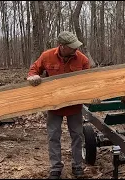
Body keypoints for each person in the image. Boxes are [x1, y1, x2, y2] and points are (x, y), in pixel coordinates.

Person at [27, 31, 99, 179]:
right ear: (62, 46)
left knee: (77, 136)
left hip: (74, 105)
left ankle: (77, 166)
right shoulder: (47, 56)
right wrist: (33, 76)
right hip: (54, 105)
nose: (75, 50)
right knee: (53, 136)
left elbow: (89, 81)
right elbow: (34, 69)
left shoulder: (82, 59)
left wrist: (94, 95)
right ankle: (55, 168)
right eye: (72, 47)